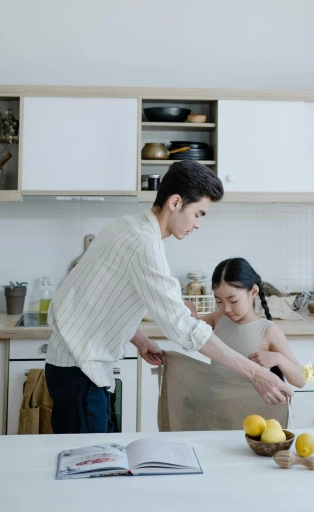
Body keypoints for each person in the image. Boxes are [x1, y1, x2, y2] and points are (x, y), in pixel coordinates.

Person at [45, 161, 291, 433]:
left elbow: (97, 301)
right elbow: (183, 328)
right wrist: (257, 374)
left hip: (73, 368)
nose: (198, 225)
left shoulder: (126, 226)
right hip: (82, 372)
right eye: (198, 214)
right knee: (90, 465)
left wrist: (138, 339)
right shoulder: (146, 246)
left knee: (97, 459)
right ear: (175, 202)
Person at [199, 257, 306, 395]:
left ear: (253, 292)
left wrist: (278, 358)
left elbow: (301, 380)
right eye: (219, 301)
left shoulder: (268, 330)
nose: (226, 309)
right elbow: (187, 328)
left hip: (253, 413)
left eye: (233, 300)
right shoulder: (218, 318)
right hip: (217, 407)